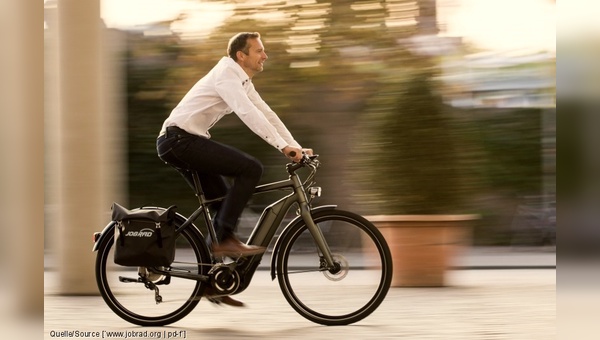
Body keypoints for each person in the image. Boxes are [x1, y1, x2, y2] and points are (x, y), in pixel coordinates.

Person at [156, 32, 312, 305]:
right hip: (179, 141)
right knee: (250, 168)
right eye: (259, 51)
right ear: (242, 55)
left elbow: (266, 113)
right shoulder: (226, 75)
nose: (265, 55)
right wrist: (281, 147)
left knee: (222, 202)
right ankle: (224, 240)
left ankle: (211, 282)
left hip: (183, 141)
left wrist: (295, 146)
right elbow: (247, 113)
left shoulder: (241, 79)